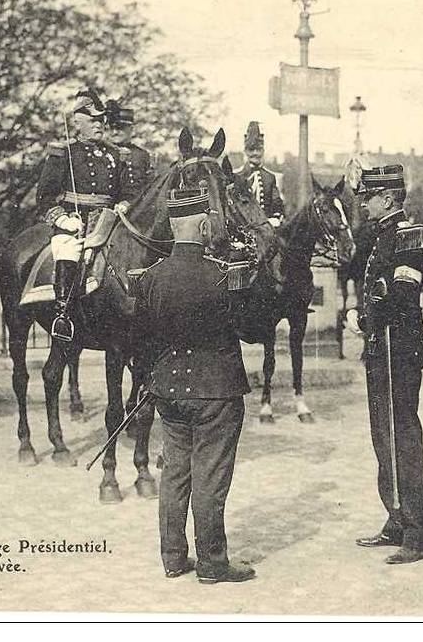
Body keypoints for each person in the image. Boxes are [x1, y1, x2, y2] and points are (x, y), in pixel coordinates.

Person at [137, 188, 254, 584]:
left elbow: (143, 340)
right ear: (204, 225)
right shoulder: (222, 274)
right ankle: (212, 564)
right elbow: (253, 330)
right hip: (216, 392)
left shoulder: (151, 278)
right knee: (210, 477)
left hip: (168, 390)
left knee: (174, 474)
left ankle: (173, 558)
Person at [344, 164, 423, 565]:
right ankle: (396, 519)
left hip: (401, 346)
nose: (363, 203)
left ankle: (418, 533)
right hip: (381, 347)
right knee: (382, 434)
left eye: (369, 197)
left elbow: (401, 294)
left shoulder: (408, 236)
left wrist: (363, 318)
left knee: (402, 435)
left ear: (388, 199)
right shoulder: (379, 235)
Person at [22, 89, 133, 329]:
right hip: (74, 220)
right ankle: (64, 314)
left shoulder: (116, 154)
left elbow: (127, 193)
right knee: (68, 250)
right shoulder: (64, 152)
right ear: (77, 121)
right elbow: (45, 196)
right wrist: (61, 220)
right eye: (93, 119)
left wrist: (123, 205)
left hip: (108, 221)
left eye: (101, 120)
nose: (99, 125)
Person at [234, 121, 285, 227]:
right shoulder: (236, 176)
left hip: (265, 228)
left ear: (263, 150)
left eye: (259, 150)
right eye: (251, 150)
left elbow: (276, 204)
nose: (255, 153)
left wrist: (274, 218)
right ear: (245, 151)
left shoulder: (270, 178)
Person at [104, 98, 152, 200]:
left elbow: (149, 186)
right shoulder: (103, 153)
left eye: (120, 128)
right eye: (111, 128)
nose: (114, 132)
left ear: (131, 128)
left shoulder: (141, 155)